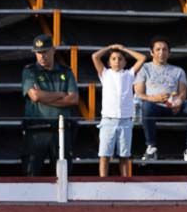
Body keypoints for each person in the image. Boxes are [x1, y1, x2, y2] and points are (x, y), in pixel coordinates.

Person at [21, 33, 78, 176]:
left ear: (53, 50)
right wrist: (60, 94)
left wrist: (43, 96)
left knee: (64, 175)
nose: (41, 56)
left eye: (44, 52)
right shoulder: (29, 71)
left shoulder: (66, 72)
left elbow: (73, 99)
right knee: (31, 174)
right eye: (38, 53)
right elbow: (34, 96)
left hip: (61, 131)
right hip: (36, 130)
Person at [134, 36, 187, 162]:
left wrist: (178, 101)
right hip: (154, 106)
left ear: (169, 52)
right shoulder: (144, 68)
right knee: (146, 106)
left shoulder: (178, 71)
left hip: (174, 106)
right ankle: (151, 147)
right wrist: (154, 98)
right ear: (152, 52)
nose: (161, 52)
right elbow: (139, 93)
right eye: (158, 50)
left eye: (164, 49)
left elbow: (183, 92)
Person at [92, 43, 146, 178]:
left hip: (125, 121)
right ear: (109, 62)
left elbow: (142, 58)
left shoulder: (129, 74)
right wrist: (109, 48)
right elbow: (95, 56)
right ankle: (102, 181)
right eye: (114, 59)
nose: (117, 61)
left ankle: (125, 181)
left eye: (120, 58)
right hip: (108, 120)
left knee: (124, 156)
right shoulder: (105, 73)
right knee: (104, 155)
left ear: (125, 61)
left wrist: (124, 49)